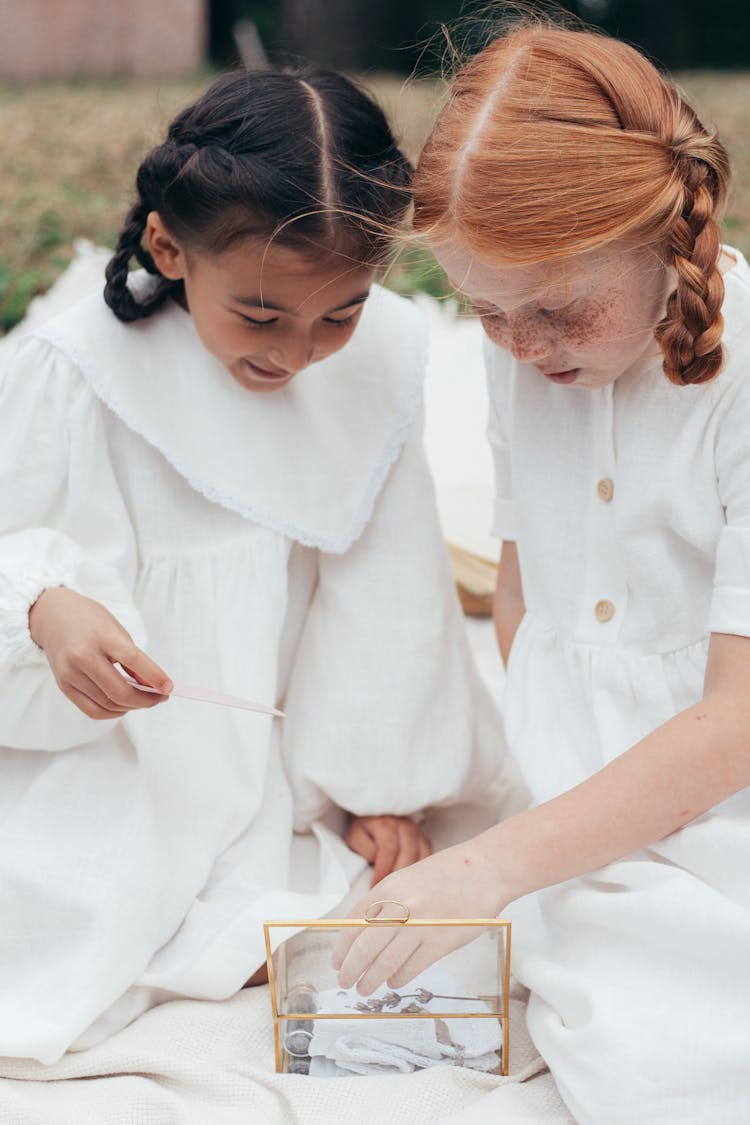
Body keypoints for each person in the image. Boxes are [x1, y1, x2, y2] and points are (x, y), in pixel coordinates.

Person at [0, 66, 519, 1064]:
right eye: (261, 316)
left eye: (341, 315)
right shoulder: (76, 371)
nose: (298, 355)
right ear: (168, 247)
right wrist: (43, 610)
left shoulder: (376, 369)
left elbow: (392, 601)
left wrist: (384, 786)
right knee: (65, 908)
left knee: (409, 899)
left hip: (297, 753)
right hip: (120, 747)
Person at [333, 22, 750, 1124]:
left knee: (669, 1052)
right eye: (485, 311)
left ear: (660, 234)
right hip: (577, 801)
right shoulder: (527, 359)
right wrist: (542, 814)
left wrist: (500, 864)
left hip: (721, 805)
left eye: (557, 310)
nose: (520, 347)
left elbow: (739, 717)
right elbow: (522, 598)